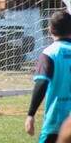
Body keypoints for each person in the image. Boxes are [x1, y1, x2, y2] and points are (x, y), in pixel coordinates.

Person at [25, 11, 71, 143]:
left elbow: (41, 84)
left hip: (56, 121)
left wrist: (30, 114)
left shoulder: (49, 53)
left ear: (50, 29)